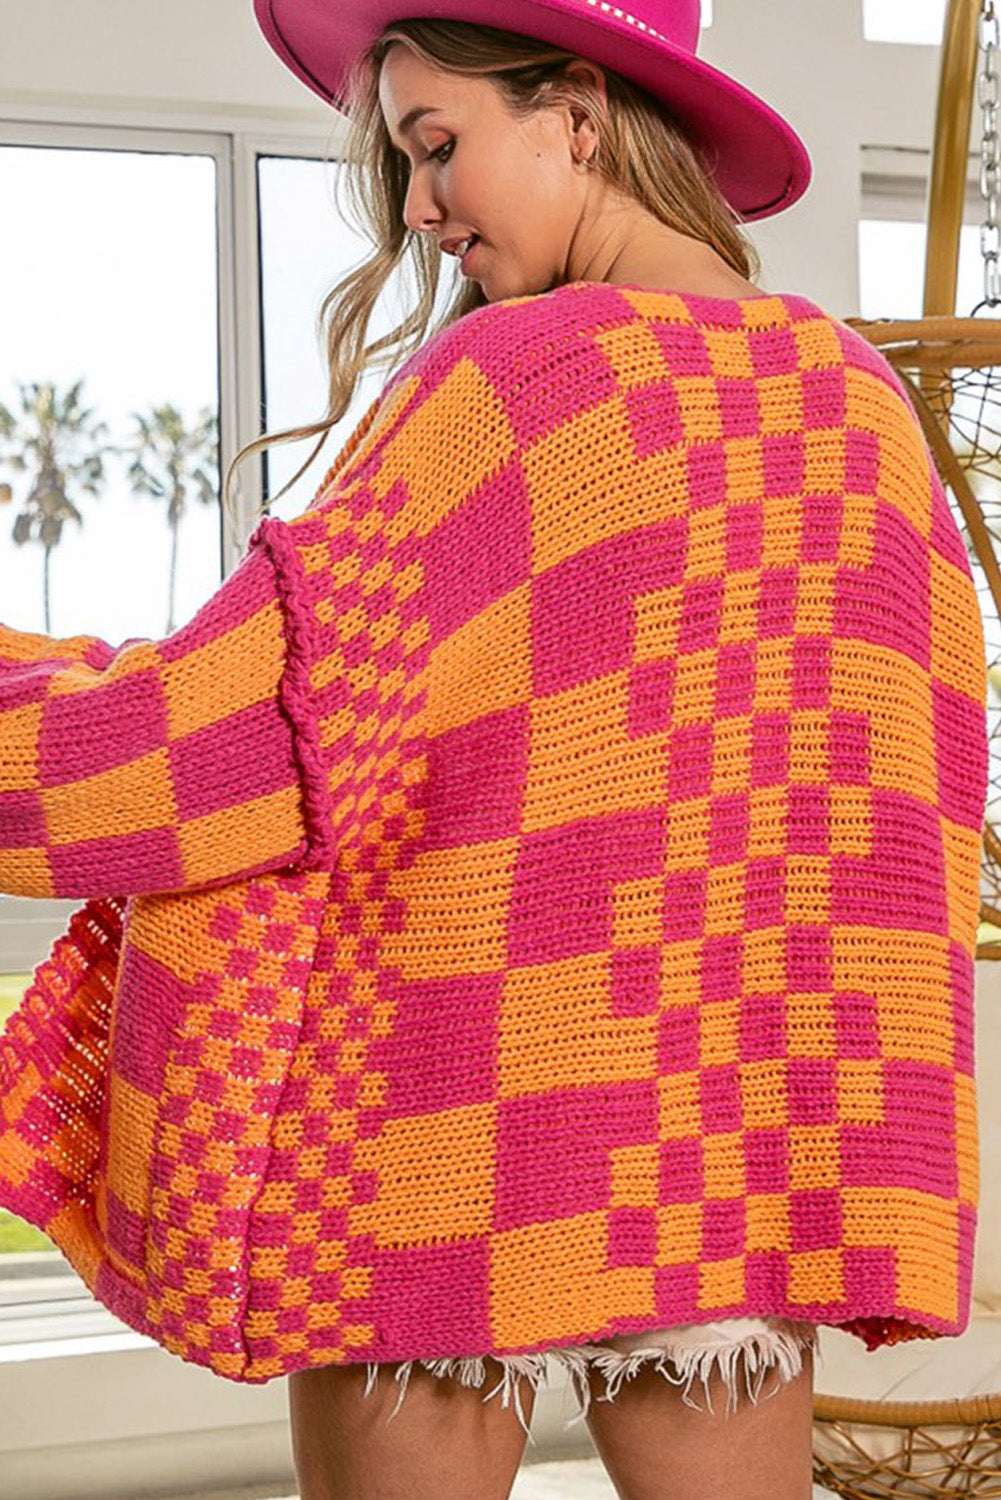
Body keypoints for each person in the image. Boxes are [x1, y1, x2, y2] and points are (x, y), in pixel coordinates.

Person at [0, 5, 988, 1500]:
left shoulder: (517, 384)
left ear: (576, 113)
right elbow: (915, 801)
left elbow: (228, 732)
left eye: (434, 144)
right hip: (735, 1129)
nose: (417, 208)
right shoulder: (860, 405)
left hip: (434, 1128)